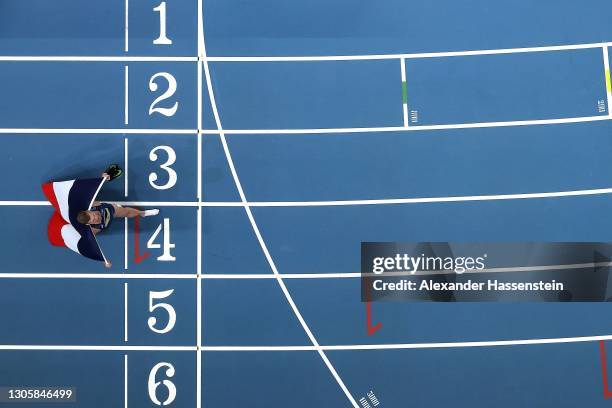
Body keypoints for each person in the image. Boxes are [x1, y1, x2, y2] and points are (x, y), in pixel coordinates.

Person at [76, 165, 158, 268]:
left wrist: (103, 179)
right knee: (121, 211)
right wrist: (103, 260)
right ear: (88, 224)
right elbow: (93, 247)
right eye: (94, 219)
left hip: (110, 210)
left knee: (127, 212)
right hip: (106, 223)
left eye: (93, 214)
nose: (96, 217)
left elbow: (93, 191)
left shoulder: (92, 204)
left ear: (88, 210)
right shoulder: (93, 231)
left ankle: (142, 214)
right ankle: (121, 208)